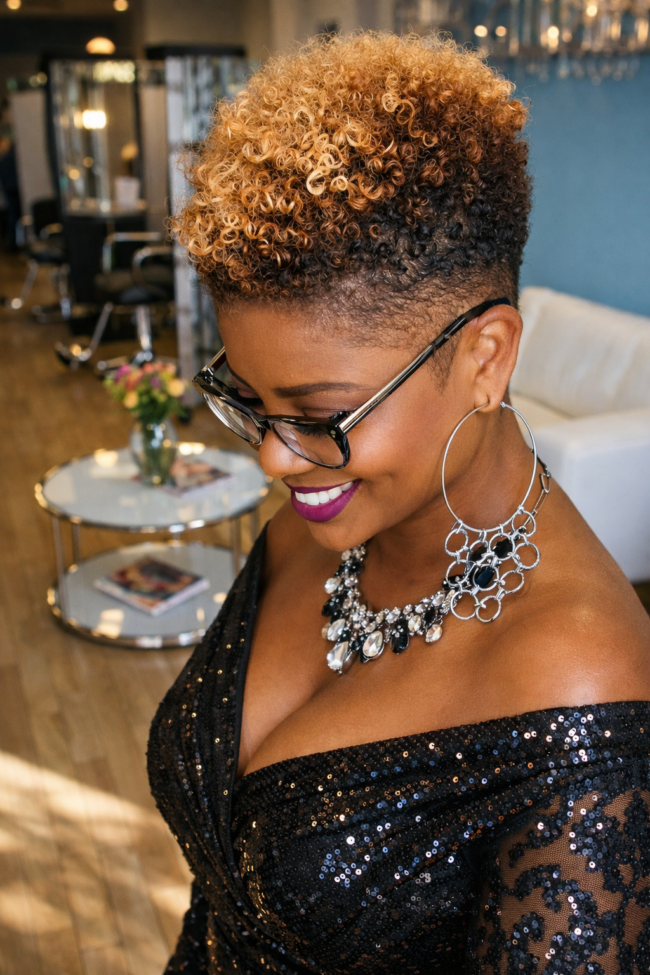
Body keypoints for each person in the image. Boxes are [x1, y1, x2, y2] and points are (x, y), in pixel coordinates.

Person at [148, 32, 650, 974]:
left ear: (487, 356)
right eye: (248, 398)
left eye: (321, 415)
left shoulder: (579, 679)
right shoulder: (314, 525)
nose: (274, 457)